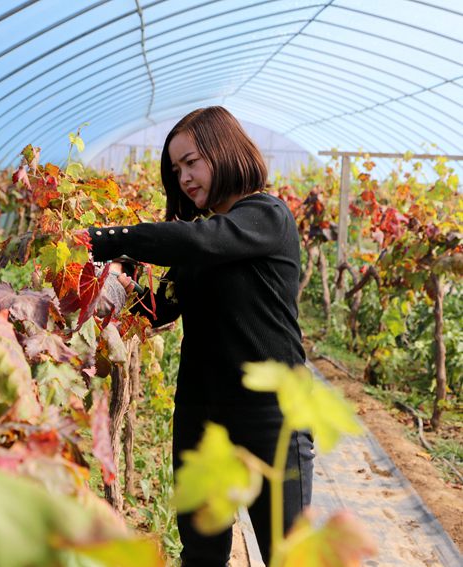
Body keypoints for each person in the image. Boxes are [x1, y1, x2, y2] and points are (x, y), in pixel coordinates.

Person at [86, 106, 314, 566]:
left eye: (192, 161)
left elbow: (202, 241)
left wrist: (107, 239)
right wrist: (98, 290)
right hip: (202, 414)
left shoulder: (265, 216)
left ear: (225, 150)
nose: (185, 177)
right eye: (176, 169)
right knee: (202, 553)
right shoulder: (200, 241)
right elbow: (155, 309)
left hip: (270, 416)